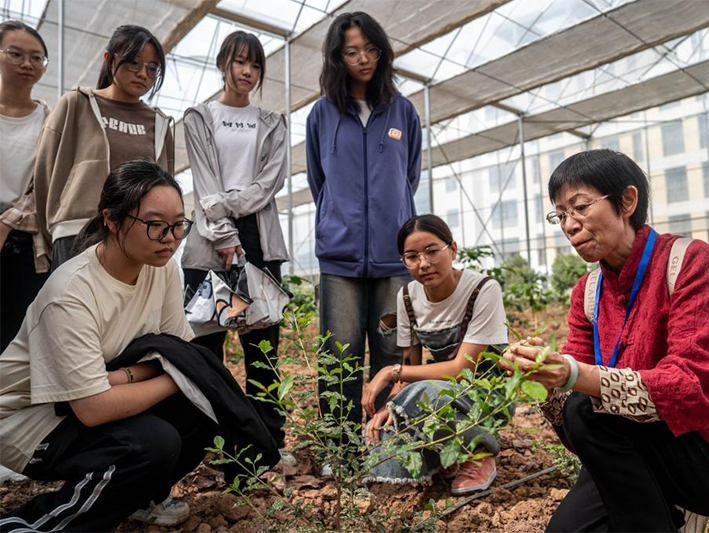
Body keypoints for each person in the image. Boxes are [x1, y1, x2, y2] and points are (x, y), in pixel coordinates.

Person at [500, 149, 709, 532]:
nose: (569, 225)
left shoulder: (690, 261)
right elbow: (575, 401)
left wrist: (574, 375)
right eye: (561, 214)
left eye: (581, 206)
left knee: (586, 409)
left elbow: (693, 386)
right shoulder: (587, 293)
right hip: (637, 449)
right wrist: (542, 373)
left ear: (627, 201)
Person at [0, 159, 216, 531]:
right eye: (154, 225)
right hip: (28, 417)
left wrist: (126, 377)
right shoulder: (71, 292)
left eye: (178, 225)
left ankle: (139, 498)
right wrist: (183, 379)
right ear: (112, 221)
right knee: (151, 442)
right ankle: (32, 525)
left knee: (204, 408)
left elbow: (181, 352)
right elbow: (93, 409)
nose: (170, 238)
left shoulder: (162, 269)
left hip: (87, 393)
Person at [305, 12, 422, 456]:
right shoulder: (322, 114)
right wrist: (339, 219)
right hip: (340, 257)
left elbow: (407, 176)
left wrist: (391, 221)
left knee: (393, 355)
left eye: (371, 50)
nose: (363, 59)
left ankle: (388, 449)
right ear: (337, 57)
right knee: (340, 358)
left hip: (395, 259)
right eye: (352, 52)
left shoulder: (403, 111)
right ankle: (340, 449)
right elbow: (320, 182)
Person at [182, 31, 295, 466]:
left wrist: (224, 204)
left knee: (262, 351)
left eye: (255, 65)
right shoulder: (199, 116)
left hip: (260, 243)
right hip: (209, 245)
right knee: (207, 353)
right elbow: (204, 178)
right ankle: (210, 445)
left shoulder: (273, 122)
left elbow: (269, 184)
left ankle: (269, 443)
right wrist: (225, 232)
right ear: (223, 64)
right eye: (239, 62)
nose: (247, 72)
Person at [362, 215, 508, 494]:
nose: (423, 264)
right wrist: (388, 408)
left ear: (452, 249)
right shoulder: (407, 297)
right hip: (438, 391)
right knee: (380, 428)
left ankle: (480, 451)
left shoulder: (483, 289)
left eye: (432, 251)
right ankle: (447, 452)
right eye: (412, 256)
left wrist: (390, 371)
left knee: (428, 393)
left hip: (486, 394)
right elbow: (410, 367)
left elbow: (461, 368)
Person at [34, 24, 173, 270]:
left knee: (129, 308)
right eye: (134, 63)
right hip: (77, 231)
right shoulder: (77, 103)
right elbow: (45, 172)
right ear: (109, 59)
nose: (143, 74)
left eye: (153, 68)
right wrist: (54, 229)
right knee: (76, 307)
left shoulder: (159, 122)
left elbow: (165, 185)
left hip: (137, 236)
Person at [0, 21, 50, 353]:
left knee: (11, 334)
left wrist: (6, 223)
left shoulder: (50, 120)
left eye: (37, 57)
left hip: (25, 240)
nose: (27, 64)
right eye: (15, 54)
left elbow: (47, 182)